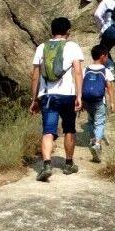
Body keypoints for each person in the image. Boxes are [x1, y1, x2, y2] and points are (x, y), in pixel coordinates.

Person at [30, 16, 85, 180]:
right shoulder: (72, 46)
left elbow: (34, 76)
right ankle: (68, 164)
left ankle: (47, 164)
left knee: (48, 130)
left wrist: (34, 99)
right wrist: (79, 95)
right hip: (67, 95)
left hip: (48, 95)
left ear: (52, 31)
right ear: (68, 31)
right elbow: (77, 71)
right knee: (69, 128)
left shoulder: (42, 47)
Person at [81, 42, 115, 162]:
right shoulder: (106, 71)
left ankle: (92, 139)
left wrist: (80, 100)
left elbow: (81, 85)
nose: (107, 59)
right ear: (102, 56)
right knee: (100, 123)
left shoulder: (86, 69)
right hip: (100, 101)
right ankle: (97, 144)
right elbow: (109, 87)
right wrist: (112, 103)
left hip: (87, 101)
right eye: (107, 56)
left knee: (90, 121)